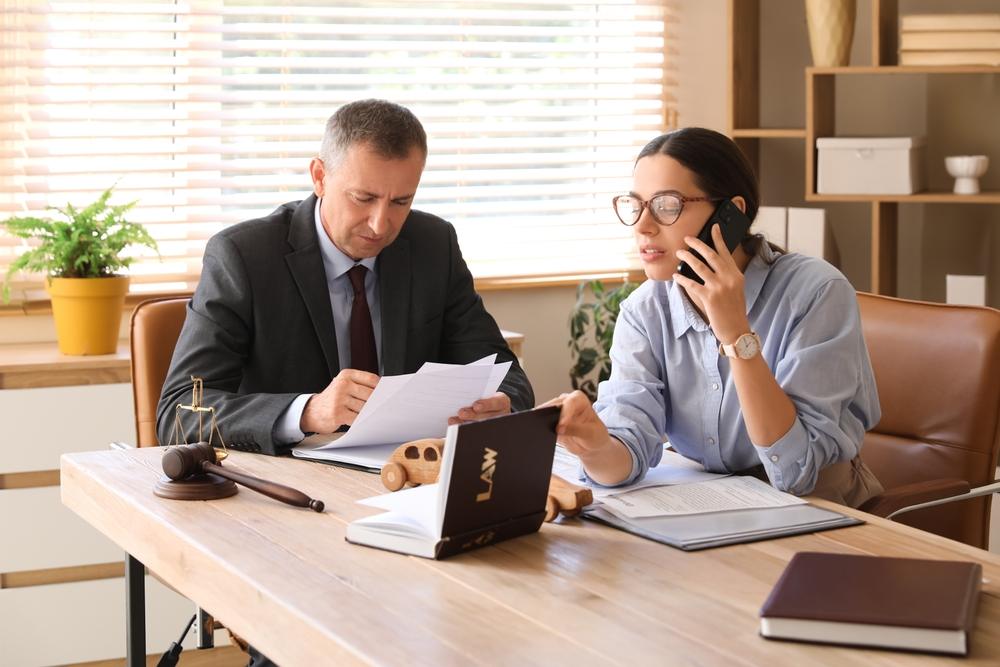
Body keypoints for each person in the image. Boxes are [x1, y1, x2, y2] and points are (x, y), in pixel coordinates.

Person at [157, 99, 533, 456]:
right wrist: (307, 412)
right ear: (320, 177)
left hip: (404, 473)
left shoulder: (433, 245)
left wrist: (501, 405)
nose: (380, 224)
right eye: (363, 198)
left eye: (401, 201)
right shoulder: (243, 257)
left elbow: (505, 375)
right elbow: (179, 412)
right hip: (288, 482)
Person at [547, 127, 883, 507]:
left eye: (667, 205)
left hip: (821, 506)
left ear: (730, 213)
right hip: (716, 502)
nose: (642, 225)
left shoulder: (816, 292)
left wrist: (735, 333)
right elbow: (626, 456)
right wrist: (594, 445)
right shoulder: (645, 310)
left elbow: (796, 470)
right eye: (635, 205)